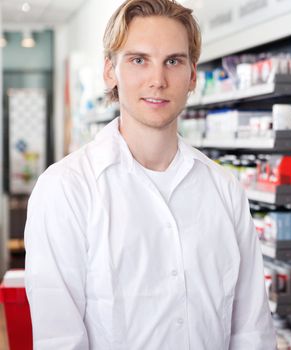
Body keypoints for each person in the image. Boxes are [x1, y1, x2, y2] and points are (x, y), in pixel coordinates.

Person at [24, 0, 276, 348]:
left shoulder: (223, 189)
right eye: (139, 60)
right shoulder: (66, 190)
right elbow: (60, 340)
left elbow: (251, 331)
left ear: (191, 76)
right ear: (110, 71)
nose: (158, 80)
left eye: (173, 61)